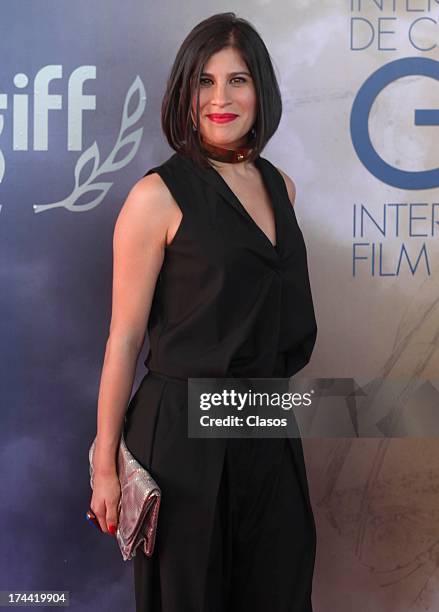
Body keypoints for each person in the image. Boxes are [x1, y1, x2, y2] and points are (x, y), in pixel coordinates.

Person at [89, 11, 318, 612]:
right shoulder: (155, 196)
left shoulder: (281, 187)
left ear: (260, 89)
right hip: (182, 438)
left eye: (238, 80)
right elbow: (123, 338)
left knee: (282, 587)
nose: (221, 98)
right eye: (205, 81)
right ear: (184, 91)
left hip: (268, 421)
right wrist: (105, 463)